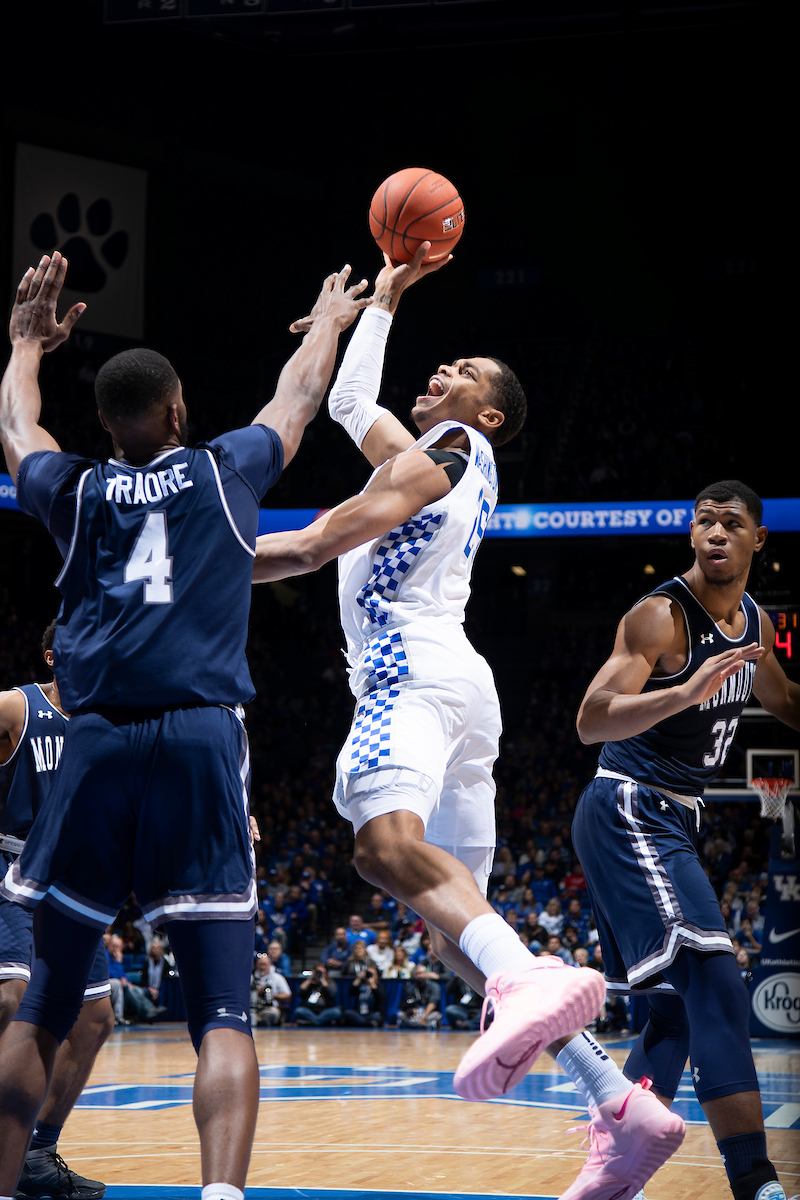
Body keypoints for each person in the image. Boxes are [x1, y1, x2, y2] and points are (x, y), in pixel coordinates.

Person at [0, 250, 369, 1200]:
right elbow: (295, 399)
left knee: (42, 1007)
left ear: (105, 427)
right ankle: (221, 1195)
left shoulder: (73, 492)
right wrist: (331, 321)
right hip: (201, 739)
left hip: (94, 741)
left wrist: (26, 345)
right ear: (177, 412)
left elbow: (17, 427)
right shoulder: (222, 472)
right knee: (221, 1013)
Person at [252, 244, 604, 1100]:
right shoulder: (440, 460)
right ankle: (613, 1096)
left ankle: (531, 980)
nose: (445, 369)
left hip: (408, 673)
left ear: (488, 413)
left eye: (465, 372)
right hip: (460, 688)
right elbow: (348, 402)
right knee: (454, 934)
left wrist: (183, 565)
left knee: (382, 849)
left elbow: (312, 546)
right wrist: (385, 301)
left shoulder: (447, 449)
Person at [563, 480, 800, 1200]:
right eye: (705, 522)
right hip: (629, 803)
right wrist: (683, 692)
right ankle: (755, 1181)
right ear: (692, 535)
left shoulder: (755, 622)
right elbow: (591, 720)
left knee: (673, 1014)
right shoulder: (661, 617)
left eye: (731, 523)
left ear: (759, 539)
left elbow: (786, 702)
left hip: (671, 817)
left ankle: (615, 1169)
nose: (716, 533)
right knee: (716, 984)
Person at [0, 621, 114, 1200]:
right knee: (11, 999)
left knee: (95, 1019)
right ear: (52, 655)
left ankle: (35, 1152)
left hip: (72, 881)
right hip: (12, 863)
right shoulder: (16, 708)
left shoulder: (107, 719)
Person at [250, 954, 291, 1028]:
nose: (262, 967)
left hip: (268, 1009)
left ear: (270, 965)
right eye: (260, 964)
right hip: (252, 1008)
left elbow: (287, 995)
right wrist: (255, 992)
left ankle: (261, 1022)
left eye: (264, 964)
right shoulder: (251, 978)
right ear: (256, 965)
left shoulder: (277, 978)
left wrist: (272, 996)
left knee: (274, 1012)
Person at [396, 963, 441, 1029]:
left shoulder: (434, 986)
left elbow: (433, 1003)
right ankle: (425, 1024)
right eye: (417, 974)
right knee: (400, 1014)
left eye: (421, 973)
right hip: (416, 1013)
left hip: (428, 1012)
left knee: (437, 1015)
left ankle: (414, 1024)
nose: (420, 976)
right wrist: (411, 1010)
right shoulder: (411, 988)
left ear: (426, 974)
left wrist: (424, 1016)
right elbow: (408, 1002)